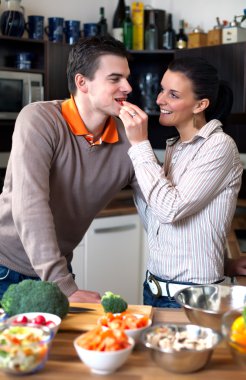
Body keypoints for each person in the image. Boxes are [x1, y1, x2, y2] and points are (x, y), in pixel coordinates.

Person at [0, 36, 142, 302]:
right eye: (115, 79)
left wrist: (224, 261)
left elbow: (161, 209)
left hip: (59, 270)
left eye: (127, 78)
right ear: (82, 82)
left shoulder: (129, 138)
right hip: (6, 268)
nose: (127, 87)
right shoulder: (40, 119)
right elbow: (30, 204)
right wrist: (63, 285)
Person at [119, 56, 243, 308]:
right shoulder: (175, 148)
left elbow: (170, 209)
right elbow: (160, 224)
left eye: (173, 95)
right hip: (153, 290)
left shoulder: (219, 145)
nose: (160, 100)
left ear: (201, 105)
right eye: (162, 89)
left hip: (194, 298)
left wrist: (140, 145)